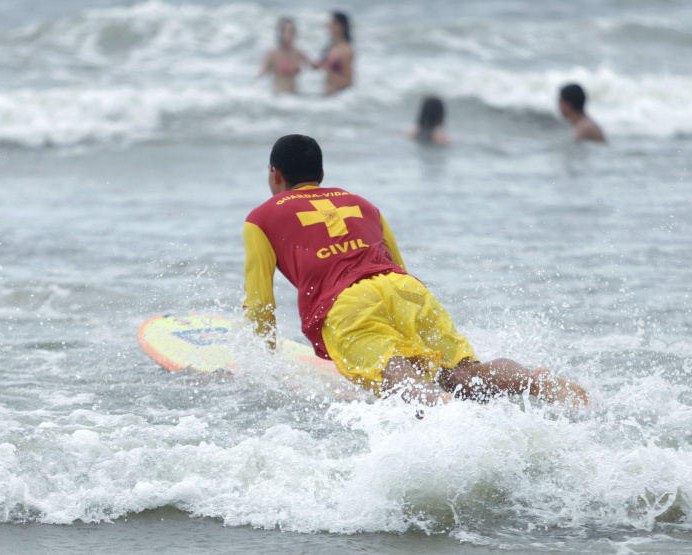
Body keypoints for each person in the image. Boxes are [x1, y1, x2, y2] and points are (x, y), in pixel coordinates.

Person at [243, 134, 589, 407]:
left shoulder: (262, 217)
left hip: (348, 305)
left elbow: (261, 302)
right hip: (406, 291)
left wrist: (266, 360)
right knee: (464, 376)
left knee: (396, 374)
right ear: (320, 174)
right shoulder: (362, 204)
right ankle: (537, 380)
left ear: (275, 173)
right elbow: (396, 265)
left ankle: (439, 406)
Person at [257, 18, 312, 95]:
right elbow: (261, 75)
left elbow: (313, 65)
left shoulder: (297, 52)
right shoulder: (273, 52)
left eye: (292, 31)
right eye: (286, 31)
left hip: (294, 97)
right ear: (280, 33)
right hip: (279, 96)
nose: (289, 35)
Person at [317, 12, 353, 95]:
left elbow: (349, 82)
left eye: (333, 23)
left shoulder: (346, 50)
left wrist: (329, 75)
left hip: (338, 100)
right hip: (328, 98)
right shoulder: (330, 48)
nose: (329, 26)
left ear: (342, 26)